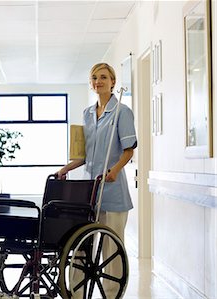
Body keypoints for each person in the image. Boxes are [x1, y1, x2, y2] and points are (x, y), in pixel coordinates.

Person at [56, 62, 137, 298]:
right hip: (88, 191)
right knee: (81, 244)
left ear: (113, 81)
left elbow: (129, 150)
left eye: (103, 77)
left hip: (112, 191)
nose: (98, 81)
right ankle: (78, 293)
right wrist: (65, 168)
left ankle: (112, 293)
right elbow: (85, 156)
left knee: (111, 248)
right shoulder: (87, 114)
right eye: (94, 78)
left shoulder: (122, 111)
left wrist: (114, 170)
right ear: (91, 84)